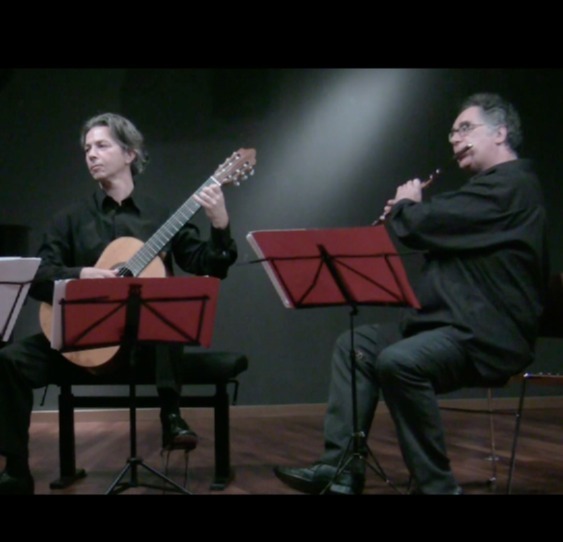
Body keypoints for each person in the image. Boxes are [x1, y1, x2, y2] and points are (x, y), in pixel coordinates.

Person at [273, 92, 549, 495]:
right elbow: (439, 222)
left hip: (487, 337)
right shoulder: (485, 192)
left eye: (465, 128)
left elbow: (427, 223)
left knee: (400, 361)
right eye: (452, 133)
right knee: (356, 345)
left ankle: (438, 487)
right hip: (449, 328)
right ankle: (341, 470)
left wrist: (406, 205)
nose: (455, 139)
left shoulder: (514, 185)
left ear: (500, 133)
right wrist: (412, 213)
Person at [0, 112, 238, 495]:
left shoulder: (162, 217)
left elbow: (209, 265)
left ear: (130, 154)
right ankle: (15, 470)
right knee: (11, 360)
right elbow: (39, 276)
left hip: (146, 347)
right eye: (87, 149)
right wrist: (81, 274)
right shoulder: (69, 219)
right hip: (82, 341)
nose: (91, 154)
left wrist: (220, 224)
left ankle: (171, 417)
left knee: (164, 307)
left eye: (102, 145)